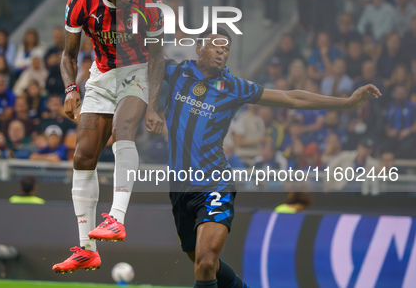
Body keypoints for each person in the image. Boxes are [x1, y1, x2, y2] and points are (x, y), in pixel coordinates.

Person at [146, 28, 381, 288]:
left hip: (215, 183)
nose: (222, 52)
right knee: (200, 261)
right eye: (216, 46)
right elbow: (143, 63)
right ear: (199, 47)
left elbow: (292, 97)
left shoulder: (234, 87)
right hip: (180, 188)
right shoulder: (177, 72)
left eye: (226, 49)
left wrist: (346, 103)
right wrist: (150, 107)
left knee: (205, 261)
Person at [52, 0, 163, 273]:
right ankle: (87, 248)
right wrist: (71, 89)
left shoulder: (149, 2)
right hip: (101, 74)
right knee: (83, 156)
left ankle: (116, 218)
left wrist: (154, 106)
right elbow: (68, 55)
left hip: (137, 71)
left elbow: (158, 59)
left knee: (123, 129)